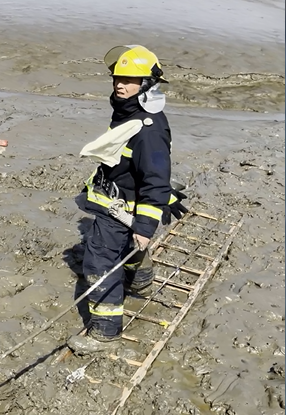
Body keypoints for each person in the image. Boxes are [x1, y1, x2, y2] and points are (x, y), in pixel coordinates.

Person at [68, 45, 189, 355]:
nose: (120, 85)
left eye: (129, 80)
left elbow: (155, 176)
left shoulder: (148, 128)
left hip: (123, 209)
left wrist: (146, 225)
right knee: (129, 245)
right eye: (117, 78)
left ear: (147, 84)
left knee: (99, 264)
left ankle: (105, 333)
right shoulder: (129, 112)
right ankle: (142, 279)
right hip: (119, 202)